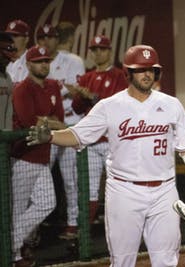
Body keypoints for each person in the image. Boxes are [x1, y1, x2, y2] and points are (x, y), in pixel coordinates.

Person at [26, 44, 185, 267]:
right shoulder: (110, 106)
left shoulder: (172, 105)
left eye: (152, 69)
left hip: (164, 191)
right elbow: (78, 134)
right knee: (122, 262)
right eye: (141, 69)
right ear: (128, 72)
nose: (147, 74)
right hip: (124, 191)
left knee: (167, 261)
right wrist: (51, 136)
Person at [11, 45, 64, 267]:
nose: (44, 64)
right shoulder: (23, 89)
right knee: (17, 209)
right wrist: (46, 120)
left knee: (47, 203)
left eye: (46, 60)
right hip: (23, 156)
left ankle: (10, 242)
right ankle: (13, 255)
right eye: (39, 61)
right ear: (28, 64)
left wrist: (46, 120)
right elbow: (28, 122)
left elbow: (60, 121)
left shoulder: (53, 86)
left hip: (43, 156)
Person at [70, 35, 128, 229]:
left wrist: (93, 97)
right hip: (92, 143)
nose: (97, 53)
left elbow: (119, 106)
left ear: (109, 51)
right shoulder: (87, 77)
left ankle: (127, 227)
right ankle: (83, 233)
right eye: (94, 49)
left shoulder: (119, 75)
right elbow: (77, 109)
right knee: (89, 189)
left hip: (113, 141)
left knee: (121, 186)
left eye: (101, 49)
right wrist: (80, 96)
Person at [36, 23, 86, 239]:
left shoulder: (73, 61)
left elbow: (76, 92)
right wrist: (62, 90)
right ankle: (32, 230)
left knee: (70, 180)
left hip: (72, 123)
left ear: (57, 39)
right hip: (50, 124)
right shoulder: (38, 63)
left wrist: (57, 89)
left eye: (51, 37)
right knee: (39, 176)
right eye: (43, 38)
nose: (47, 41)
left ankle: (73, 224)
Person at [4, 19, 30, 84]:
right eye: (9, 36)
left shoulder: (33, 61)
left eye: (15, 36)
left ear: (26, 39)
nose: (11, 39)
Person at [0, 31, 16, 130]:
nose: (7, 60)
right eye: (3, 56)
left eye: (8, 58)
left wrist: (7, 137)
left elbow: (9, 113)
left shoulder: (8, 78)